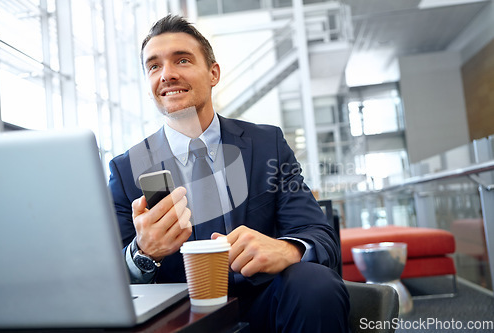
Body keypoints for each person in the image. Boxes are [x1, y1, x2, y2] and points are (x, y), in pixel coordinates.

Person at [108, 14, 350, 332]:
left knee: (315, 283)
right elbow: (109, 281)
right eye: (154, 66)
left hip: (267, 304)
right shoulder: (127, 169)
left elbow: (320, 236)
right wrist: (144, 252)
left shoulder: (267, 145)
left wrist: (287, 248)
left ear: (213, 73)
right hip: (182, 319)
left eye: (182, 60)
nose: (166, 74)